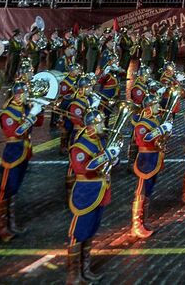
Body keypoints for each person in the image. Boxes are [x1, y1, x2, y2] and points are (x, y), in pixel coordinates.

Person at [67, 107, 119, 283]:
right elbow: (83, 168)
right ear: (91, 126)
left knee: (90, 230)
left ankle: (85, 269)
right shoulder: (80, 146)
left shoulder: (97, 140)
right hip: (86, 191)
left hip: (99, 189)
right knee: (79, 231)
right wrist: (106, 156)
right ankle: (73, 275)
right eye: (100, 123)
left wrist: (113, 157)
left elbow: (103, 161)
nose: (103, 126)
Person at [0, 77, 39, 240]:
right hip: (12, 153)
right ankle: (1, 227)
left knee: (14, 189)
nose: (26, 96)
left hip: (24, 152)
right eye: (23, 93)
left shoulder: (25, 108)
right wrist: (30, 116)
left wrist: (37, 108)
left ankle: (11, 223)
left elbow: (38, 123)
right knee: (6, 188)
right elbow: (15, 132)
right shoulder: (7, 113)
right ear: (16, 95)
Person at [130, 98, 173, 238]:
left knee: (148, 190)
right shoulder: (142, 123)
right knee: (142, 190)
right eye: (155, 105)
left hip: (154, 157)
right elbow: (145, 138)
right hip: (145, 159)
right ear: (148, 107)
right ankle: (136, 225)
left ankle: (143, 221)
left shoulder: (154, 119)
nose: (158, 107)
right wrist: (161, 129)